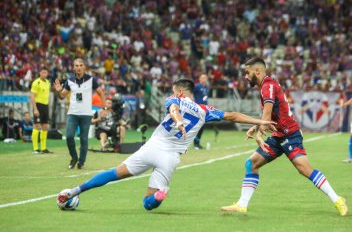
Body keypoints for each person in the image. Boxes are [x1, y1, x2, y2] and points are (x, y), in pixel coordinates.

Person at [57, 78, 275, 211]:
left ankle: (75, 190)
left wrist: (178, 120)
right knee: (147, 202)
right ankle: (158, 196)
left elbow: (173, 110)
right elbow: (233, 116)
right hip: (170, 158)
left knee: (115, 173)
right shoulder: (204, 110)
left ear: (179, 92)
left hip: (152, 148)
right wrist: (260, 120)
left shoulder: (175, 100)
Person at [220, 58, 348, 216]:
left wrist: (259, 134)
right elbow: (270, 114)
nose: (246, 76)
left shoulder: (268, 87)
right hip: (277, 134)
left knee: (305, 169)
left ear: (257, 71)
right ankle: (242, 204)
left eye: (247, 72)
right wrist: (255, 126)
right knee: (251, 163)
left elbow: (266, 115)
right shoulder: (267, 86)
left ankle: (337, 199)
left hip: (290, 134)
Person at [54, 58, 106, 169]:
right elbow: (62, 96)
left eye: (80, 65)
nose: (78, 67)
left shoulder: (91, 80)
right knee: (69, 136)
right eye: (76, 65)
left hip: (86, 114)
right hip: (72, 113)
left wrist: (104, 108)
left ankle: (81, 162)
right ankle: (74, 157)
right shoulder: (69, 81)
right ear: (73, 67)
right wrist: (58, 91)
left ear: (84, 67)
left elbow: (101, 93)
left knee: (83, 139)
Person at [30, 67, 53, 153]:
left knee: (45, 126)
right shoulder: (36, 82)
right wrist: (35, 109)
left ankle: (43, 148)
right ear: (40, 73)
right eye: (42, 72)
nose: (44, 74)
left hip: (45, 106)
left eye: (45, 73)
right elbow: (32, 96)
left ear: (47, 74)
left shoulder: (48, 82)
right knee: (36, 126)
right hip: (38, 105)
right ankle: (35, 148)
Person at [193, 74, 209, 149]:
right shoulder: (197, 86)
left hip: (204, 109)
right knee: (197, 127)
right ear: (199, 79)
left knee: (202, 127)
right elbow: (190, 93)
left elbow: (205, 97)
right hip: (198, 109)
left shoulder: (206, 87)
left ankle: (198, 143)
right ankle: (195, 144)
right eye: (202, 77)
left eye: (205, 77)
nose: (204, 79)